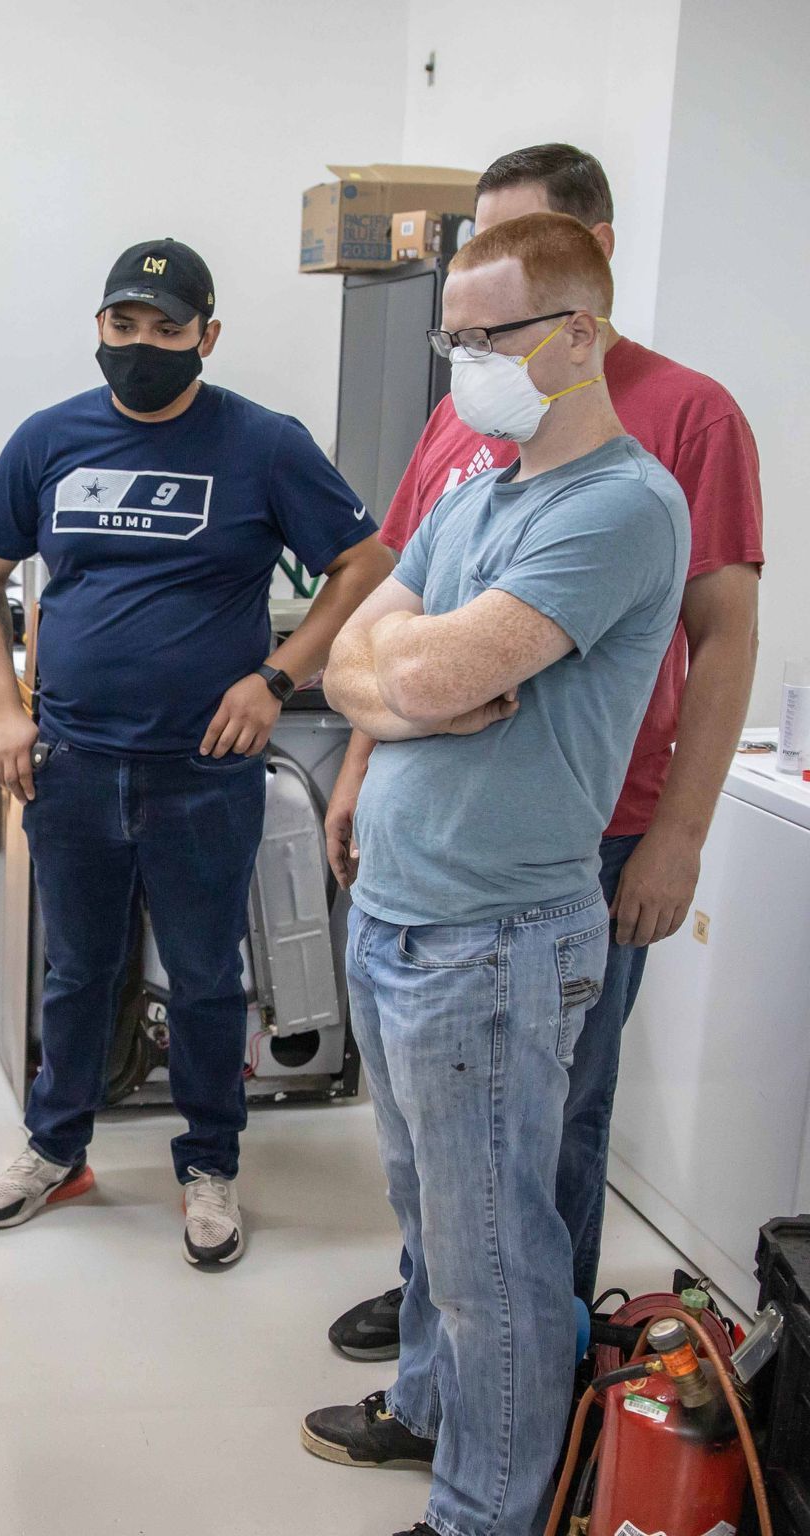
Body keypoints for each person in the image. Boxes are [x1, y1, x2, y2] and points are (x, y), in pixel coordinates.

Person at [324, 144, 763, 1373]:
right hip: (434, 815)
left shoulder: (682, 420)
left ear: (587, 279)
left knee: (545, 1145)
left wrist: (678, 836)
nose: (466, 339)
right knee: (446, 1158)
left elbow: (724, 638)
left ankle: (538, 1394)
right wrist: (369, 751)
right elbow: (379, 639)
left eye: (497, 302)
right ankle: (453, 1370)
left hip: (587, 826)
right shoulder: (477, 429)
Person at [306, 212, 689, 1536]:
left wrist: (407, 676)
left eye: (492, 335)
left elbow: (424, 665)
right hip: (401, 918)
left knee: (495, 1263)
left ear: (579, 337)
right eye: (454, 336)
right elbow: (365, 656)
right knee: (431, 1232)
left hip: (496, 934)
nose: (466, 360)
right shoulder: (480, 488)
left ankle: (485, 1515)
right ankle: (431, 1418)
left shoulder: (623, 506)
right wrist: (401, 687)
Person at [0, 237, 392, 1264]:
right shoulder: (49, 440)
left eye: (164, 329)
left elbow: (364, 562)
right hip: (69, 757)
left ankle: (210, 1164)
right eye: (123, 325)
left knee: (203, 975)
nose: (140, 346)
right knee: (76, 970)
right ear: (98, 326)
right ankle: (56, 1148)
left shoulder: (263, 444)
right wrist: (4, 710)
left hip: (202, 768)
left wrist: (278, 675)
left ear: (208, 336)